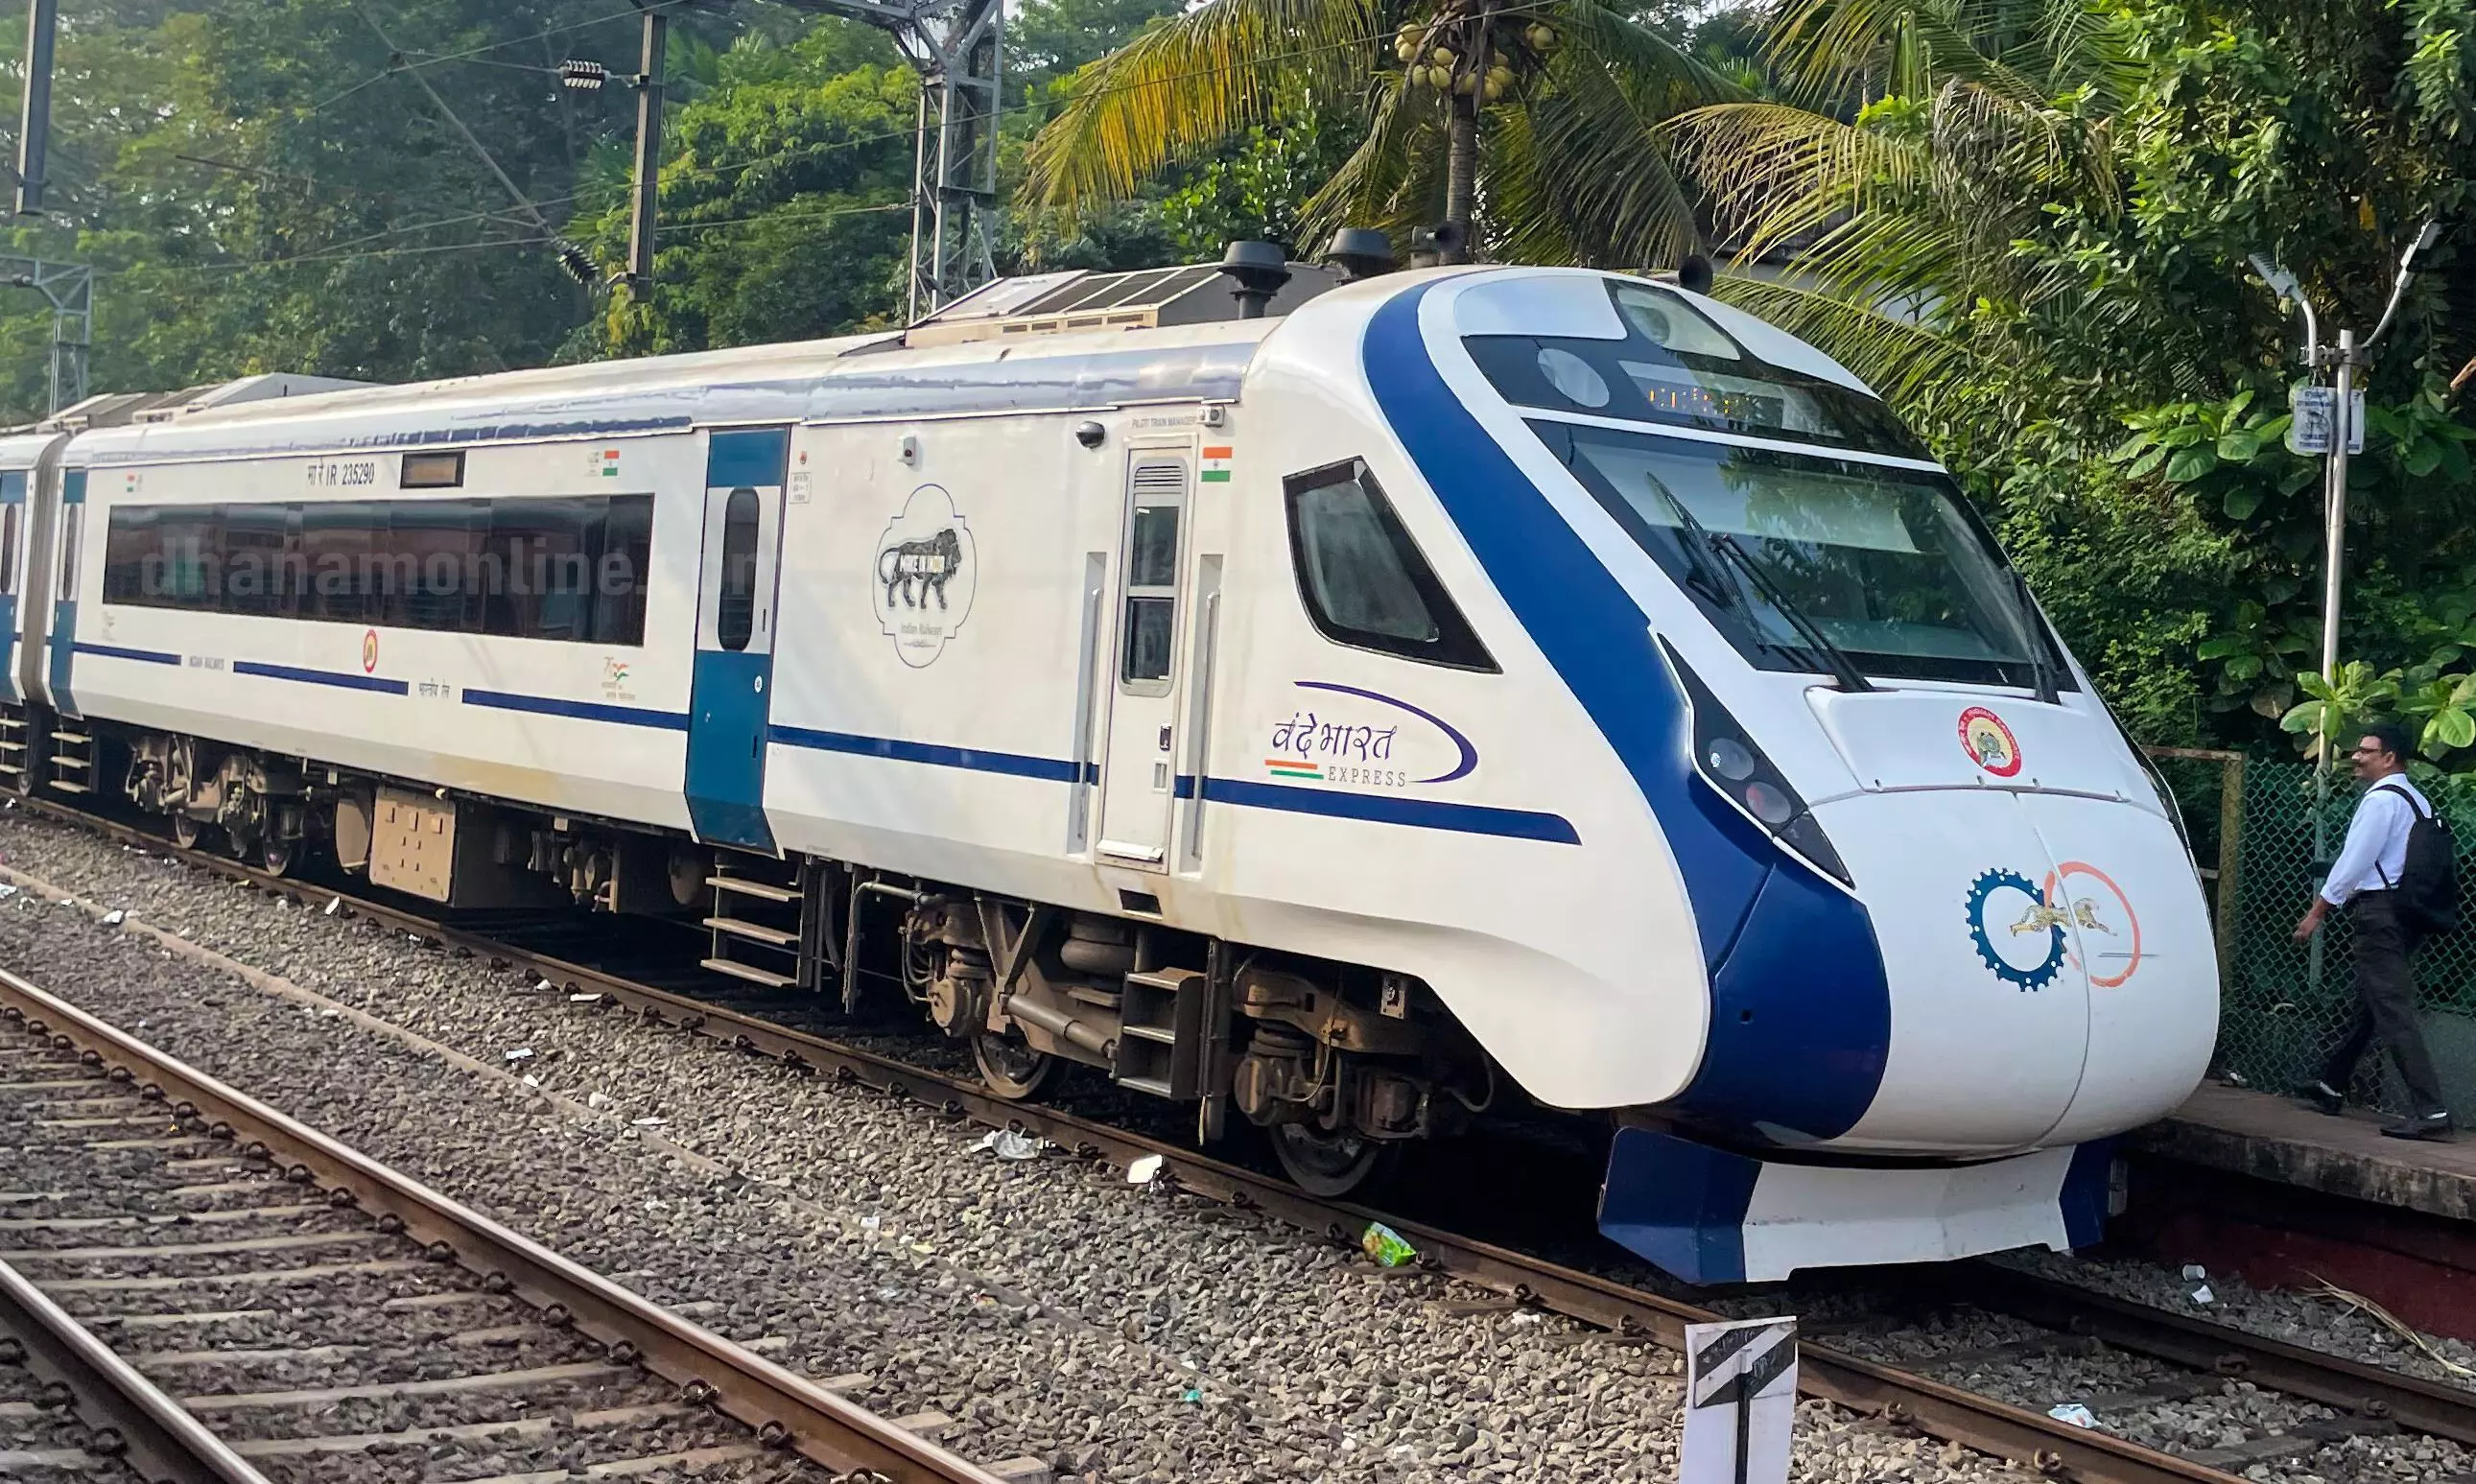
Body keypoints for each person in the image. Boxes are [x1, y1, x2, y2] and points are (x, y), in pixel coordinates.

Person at [2294, 720, 2452, 1139]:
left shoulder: (2382, 801)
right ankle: (2331, 1085)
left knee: (2393, 1011)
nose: (2356, 756)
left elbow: (2354, 861)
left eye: (2365, 750)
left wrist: (2318, 911)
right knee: (2369, 1004)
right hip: (2406, 912)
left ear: (2389, 757)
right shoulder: (2416, 800)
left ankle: (2431, 1111)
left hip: (2379, 913)